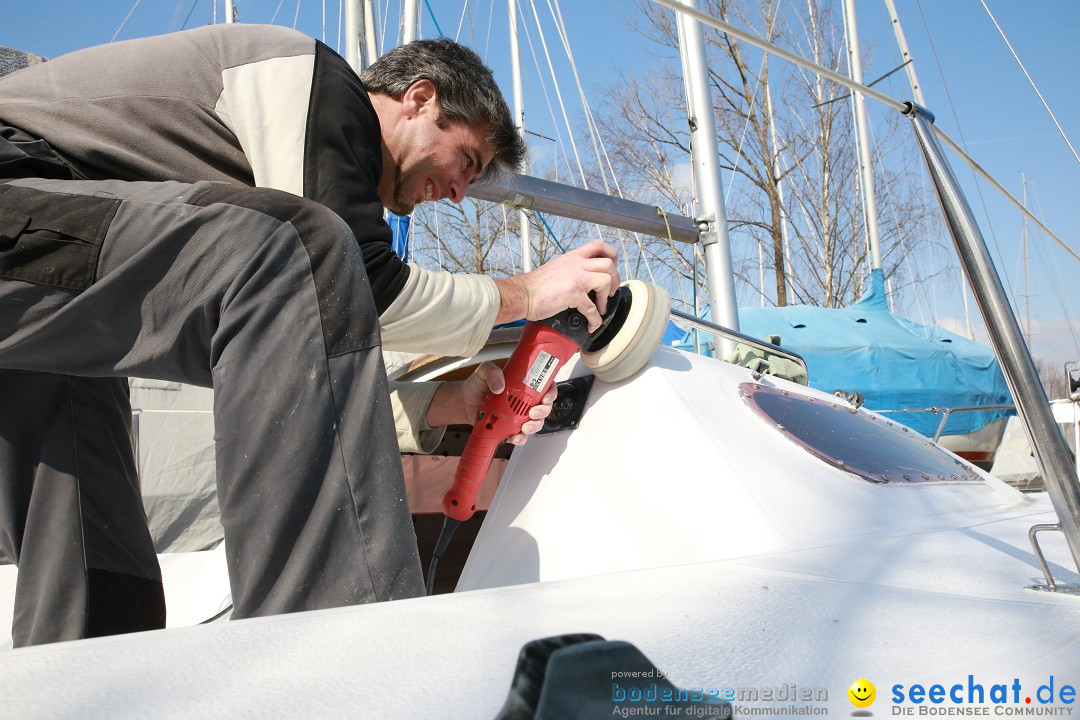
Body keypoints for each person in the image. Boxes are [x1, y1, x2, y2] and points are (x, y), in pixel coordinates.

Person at [0, 25, 620, 647]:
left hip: (39, 274)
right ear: (421, 97)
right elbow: (348, 285)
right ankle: (339, 664)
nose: (458, 194)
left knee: (84, 520)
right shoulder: (316, 80)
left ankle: (93, 682)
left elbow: (297, 365)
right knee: (297, 249)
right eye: (468, 162)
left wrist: (446, 405)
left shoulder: (248, 175)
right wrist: (527, 294)